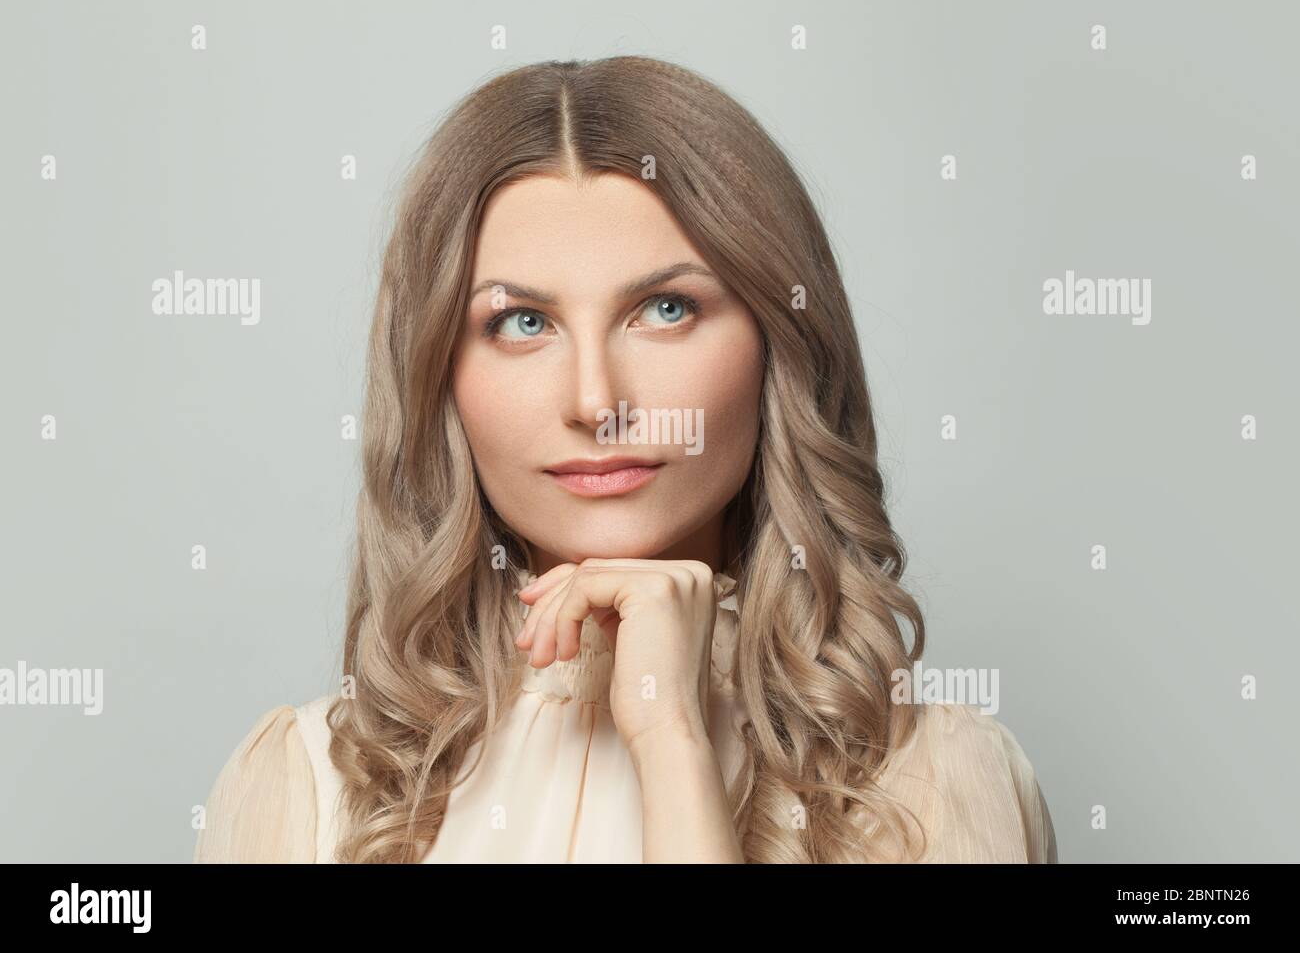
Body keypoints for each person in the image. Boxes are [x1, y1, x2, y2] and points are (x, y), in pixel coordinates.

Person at [194, 55, 1057, 864]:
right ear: (438, 380)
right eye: (522, 323)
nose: (596, 402)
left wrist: (671, 738)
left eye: (665, 308)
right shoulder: (308, 788)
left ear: (779, 346)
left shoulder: (939, 781)